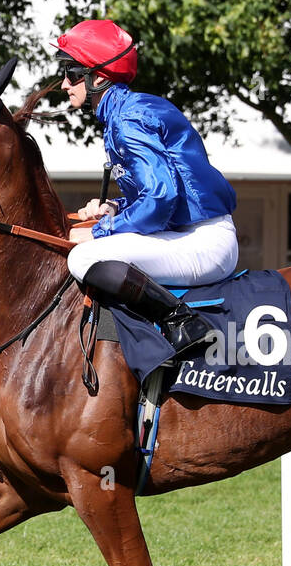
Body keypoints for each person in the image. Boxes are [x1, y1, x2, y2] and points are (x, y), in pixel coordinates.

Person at [56, 19, 238, 357]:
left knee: (83, 257)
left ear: (99, 77)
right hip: (189, 235)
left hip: (203, 242)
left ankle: (181, 322)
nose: (64, 84)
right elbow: (160, 192)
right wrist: (115, 209)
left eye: (72, 73)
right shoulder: (127, 111)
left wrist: (102, 231)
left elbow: (160, 198)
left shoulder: (127, 119)